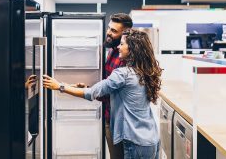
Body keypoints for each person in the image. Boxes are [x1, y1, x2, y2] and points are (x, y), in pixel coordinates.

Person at [43, 29, 162, 159]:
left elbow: (91, 94)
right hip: (151, 139)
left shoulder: (123, 74)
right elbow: (112, 91)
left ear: (133, 48)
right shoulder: (144, 71)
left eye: (122, 44)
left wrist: (59, 86)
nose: (118, 47)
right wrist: (87, 87)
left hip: (134, 141)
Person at [73, 13, 133, 158]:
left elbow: (111, 88)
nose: (108, 33)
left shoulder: (125, 59)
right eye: (109, 28)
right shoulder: (113, 50)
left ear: (125, 34)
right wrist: (88, 87)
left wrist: (62, 87)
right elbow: (108, 84)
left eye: (114, 31)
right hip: (109, 115)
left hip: (121, 122)